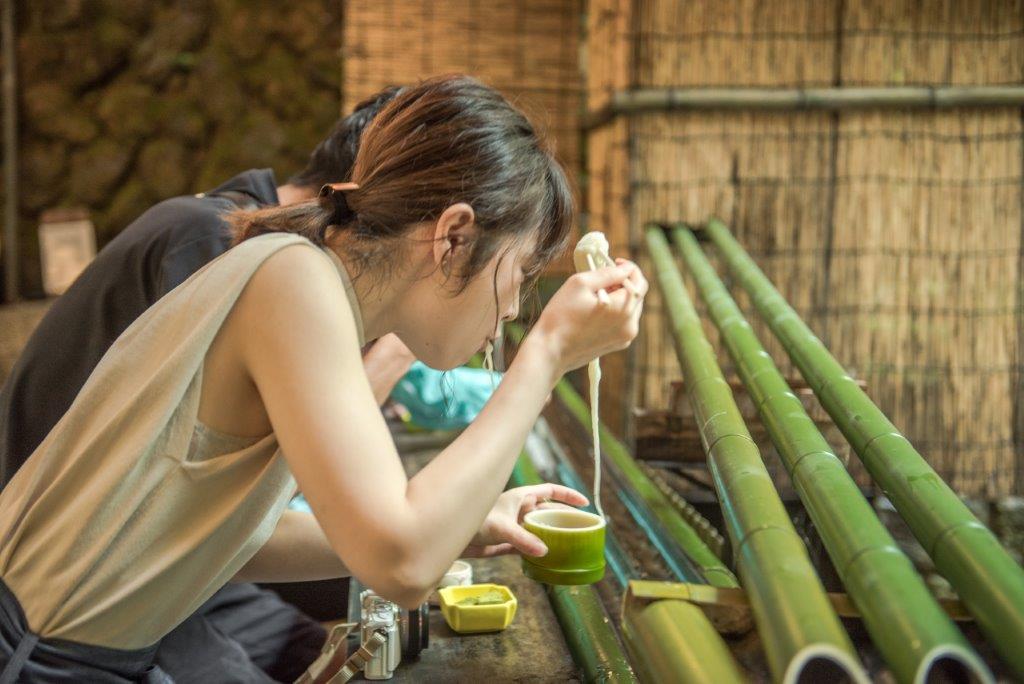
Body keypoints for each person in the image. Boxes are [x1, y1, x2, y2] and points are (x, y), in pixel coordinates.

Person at [0, 75, 647, 681]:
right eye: (522, 274)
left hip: (88, 648)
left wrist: (470, 524)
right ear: (453, 236)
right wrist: (548, 352)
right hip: (36, 655)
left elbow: (237, 539)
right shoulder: (294, 281)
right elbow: (404, 563)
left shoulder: (305, 282)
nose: (512, 310)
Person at [0, 87, 412, 682]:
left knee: (317, 643)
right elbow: (286, 458)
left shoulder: (246, 235)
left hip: (167, 541)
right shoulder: (219, 242)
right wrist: (392, 357)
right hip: (93, 565)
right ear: (366, 199)